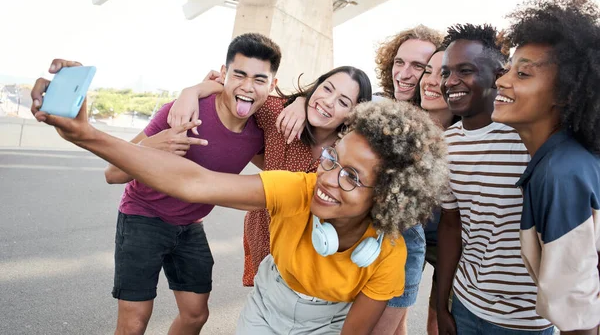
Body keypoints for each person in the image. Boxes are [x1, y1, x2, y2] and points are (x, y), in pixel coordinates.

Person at [31, 67, 449, 334]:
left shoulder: (388, 254)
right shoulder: (299, 185)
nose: (328, 180)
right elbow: (196, 182)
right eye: (332, 160)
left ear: (390, 196)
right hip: (267, 303)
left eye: (352, 177)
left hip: (330, 320)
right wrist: (86, 134)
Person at [41, 33, 282, 335]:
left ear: (271, 86)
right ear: (224, 74)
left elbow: (282, 165)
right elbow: (113, 173)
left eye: (259, 79)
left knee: (195, 314)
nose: (248, 86)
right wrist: (155, 144)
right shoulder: (183, 112)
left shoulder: (258, 135)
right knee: (134, 322)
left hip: (190, 225)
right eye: (239, 75)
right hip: (143, 216)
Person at [167, 66, 373, 286]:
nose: (328, 101)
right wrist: (191, 92)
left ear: (353, 114)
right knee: (263, 300)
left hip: (313, 251)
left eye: (343, 102)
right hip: (264, 234)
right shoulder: (278, 113)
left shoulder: (350, 152)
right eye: (326, 89)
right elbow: (232, 89)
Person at [492, 0, 600, 334]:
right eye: (507, 69)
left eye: (523, 74)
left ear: (567, 93)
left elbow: (579, 322)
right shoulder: (561, 160)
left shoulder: (560, 174)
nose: (502, 81)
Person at [436, 24, 554, 335]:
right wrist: (440, 305)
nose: (451, 81)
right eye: (446, 72)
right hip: (466, 303)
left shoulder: (529, 135)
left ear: (497, 75)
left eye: (465, 70)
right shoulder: (445, 144)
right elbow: (451, 223)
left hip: (527, 319)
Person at [371, 25, 445, 335]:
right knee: (392, 319)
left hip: (451, 236)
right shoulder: (379, 106)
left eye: (420, 66)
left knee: (439, 324)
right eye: (399, 62)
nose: (405, 72)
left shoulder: (452, 108)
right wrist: (297, 102)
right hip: (405, 233)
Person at [418, 47, 459, 335]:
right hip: (410, 235)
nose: (430, 80)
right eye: (427, 71)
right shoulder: (403, 121)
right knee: (392, 311)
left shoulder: (470, 135)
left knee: (441, 320)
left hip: (454, 241)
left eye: (442, 73)